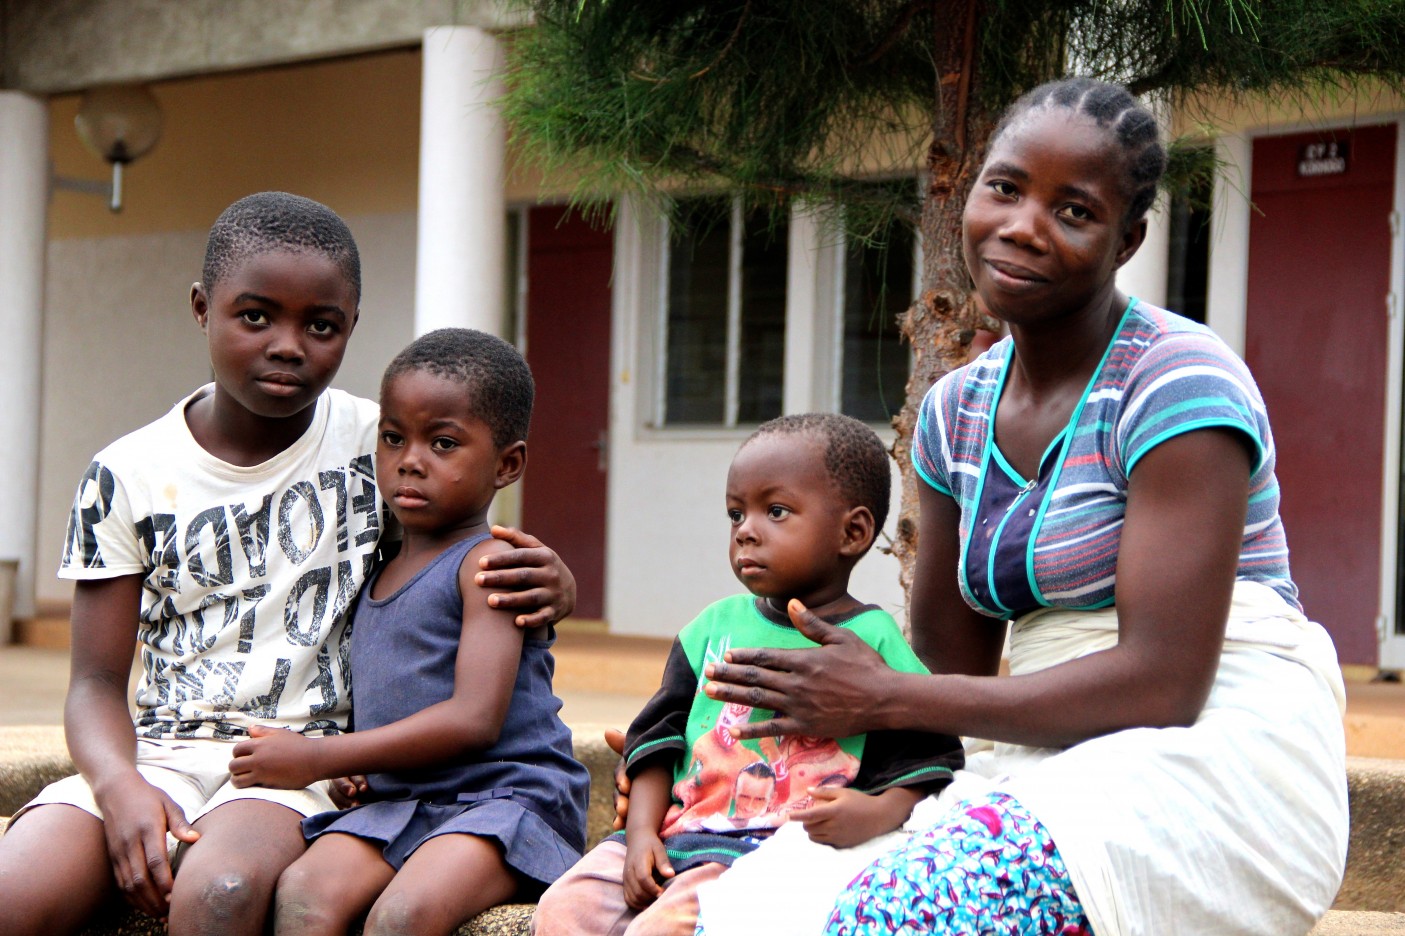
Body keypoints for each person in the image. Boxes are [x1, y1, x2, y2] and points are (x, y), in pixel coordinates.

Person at [698, 77, 1350, 936]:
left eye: (1072, 211)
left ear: (1127, 241)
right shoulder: (953, 412)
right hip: (1042, 747)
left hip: (1215, 752)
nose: (1020, 227)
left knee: (900, 912)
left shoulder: (1175, 381)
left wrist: (886, 695)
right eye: (1003, 187)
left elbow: (1164, 683)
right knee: (755, 905)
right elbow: (941, 678)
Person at [0, 193, 576, 936]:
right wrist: (118, 786)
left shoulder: (386, 441)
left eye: (321, 325)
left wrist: (552, 582)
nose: (287, 345)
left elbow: (462, 557)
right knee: (16, 891)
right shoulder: (127, 473)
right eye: (254, 316)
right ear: (203, 308)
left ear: (350, 328)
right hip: (159, 752)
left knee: (223, 889)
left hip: (308, 760)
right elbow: (95, 683)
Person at [533, 413, 965, 936]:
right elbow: (656, 740)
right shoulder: (711, 629)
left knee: (663, 929)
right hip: (672, 838)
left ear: (853, 532)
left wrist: (877, 813)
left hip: (769, 856)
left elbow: (930, 758)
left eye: (775, 511)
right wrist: (642, 833)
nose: (746, 533)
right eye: (736, 515)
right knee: (561, 910)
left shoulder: (872, 641)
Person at [227, 327, 591, 935]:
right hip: (401, 801)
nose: (410, 460)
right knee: (303, 894)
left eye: (443, 443)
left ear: (507, 464)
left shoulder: (489, 566)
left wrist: (318, 758)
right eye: (393, 438)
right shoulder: (375, 564)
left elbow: (472, 719)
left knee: (402, 915)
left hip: (503, 798)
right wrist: (361, 765)